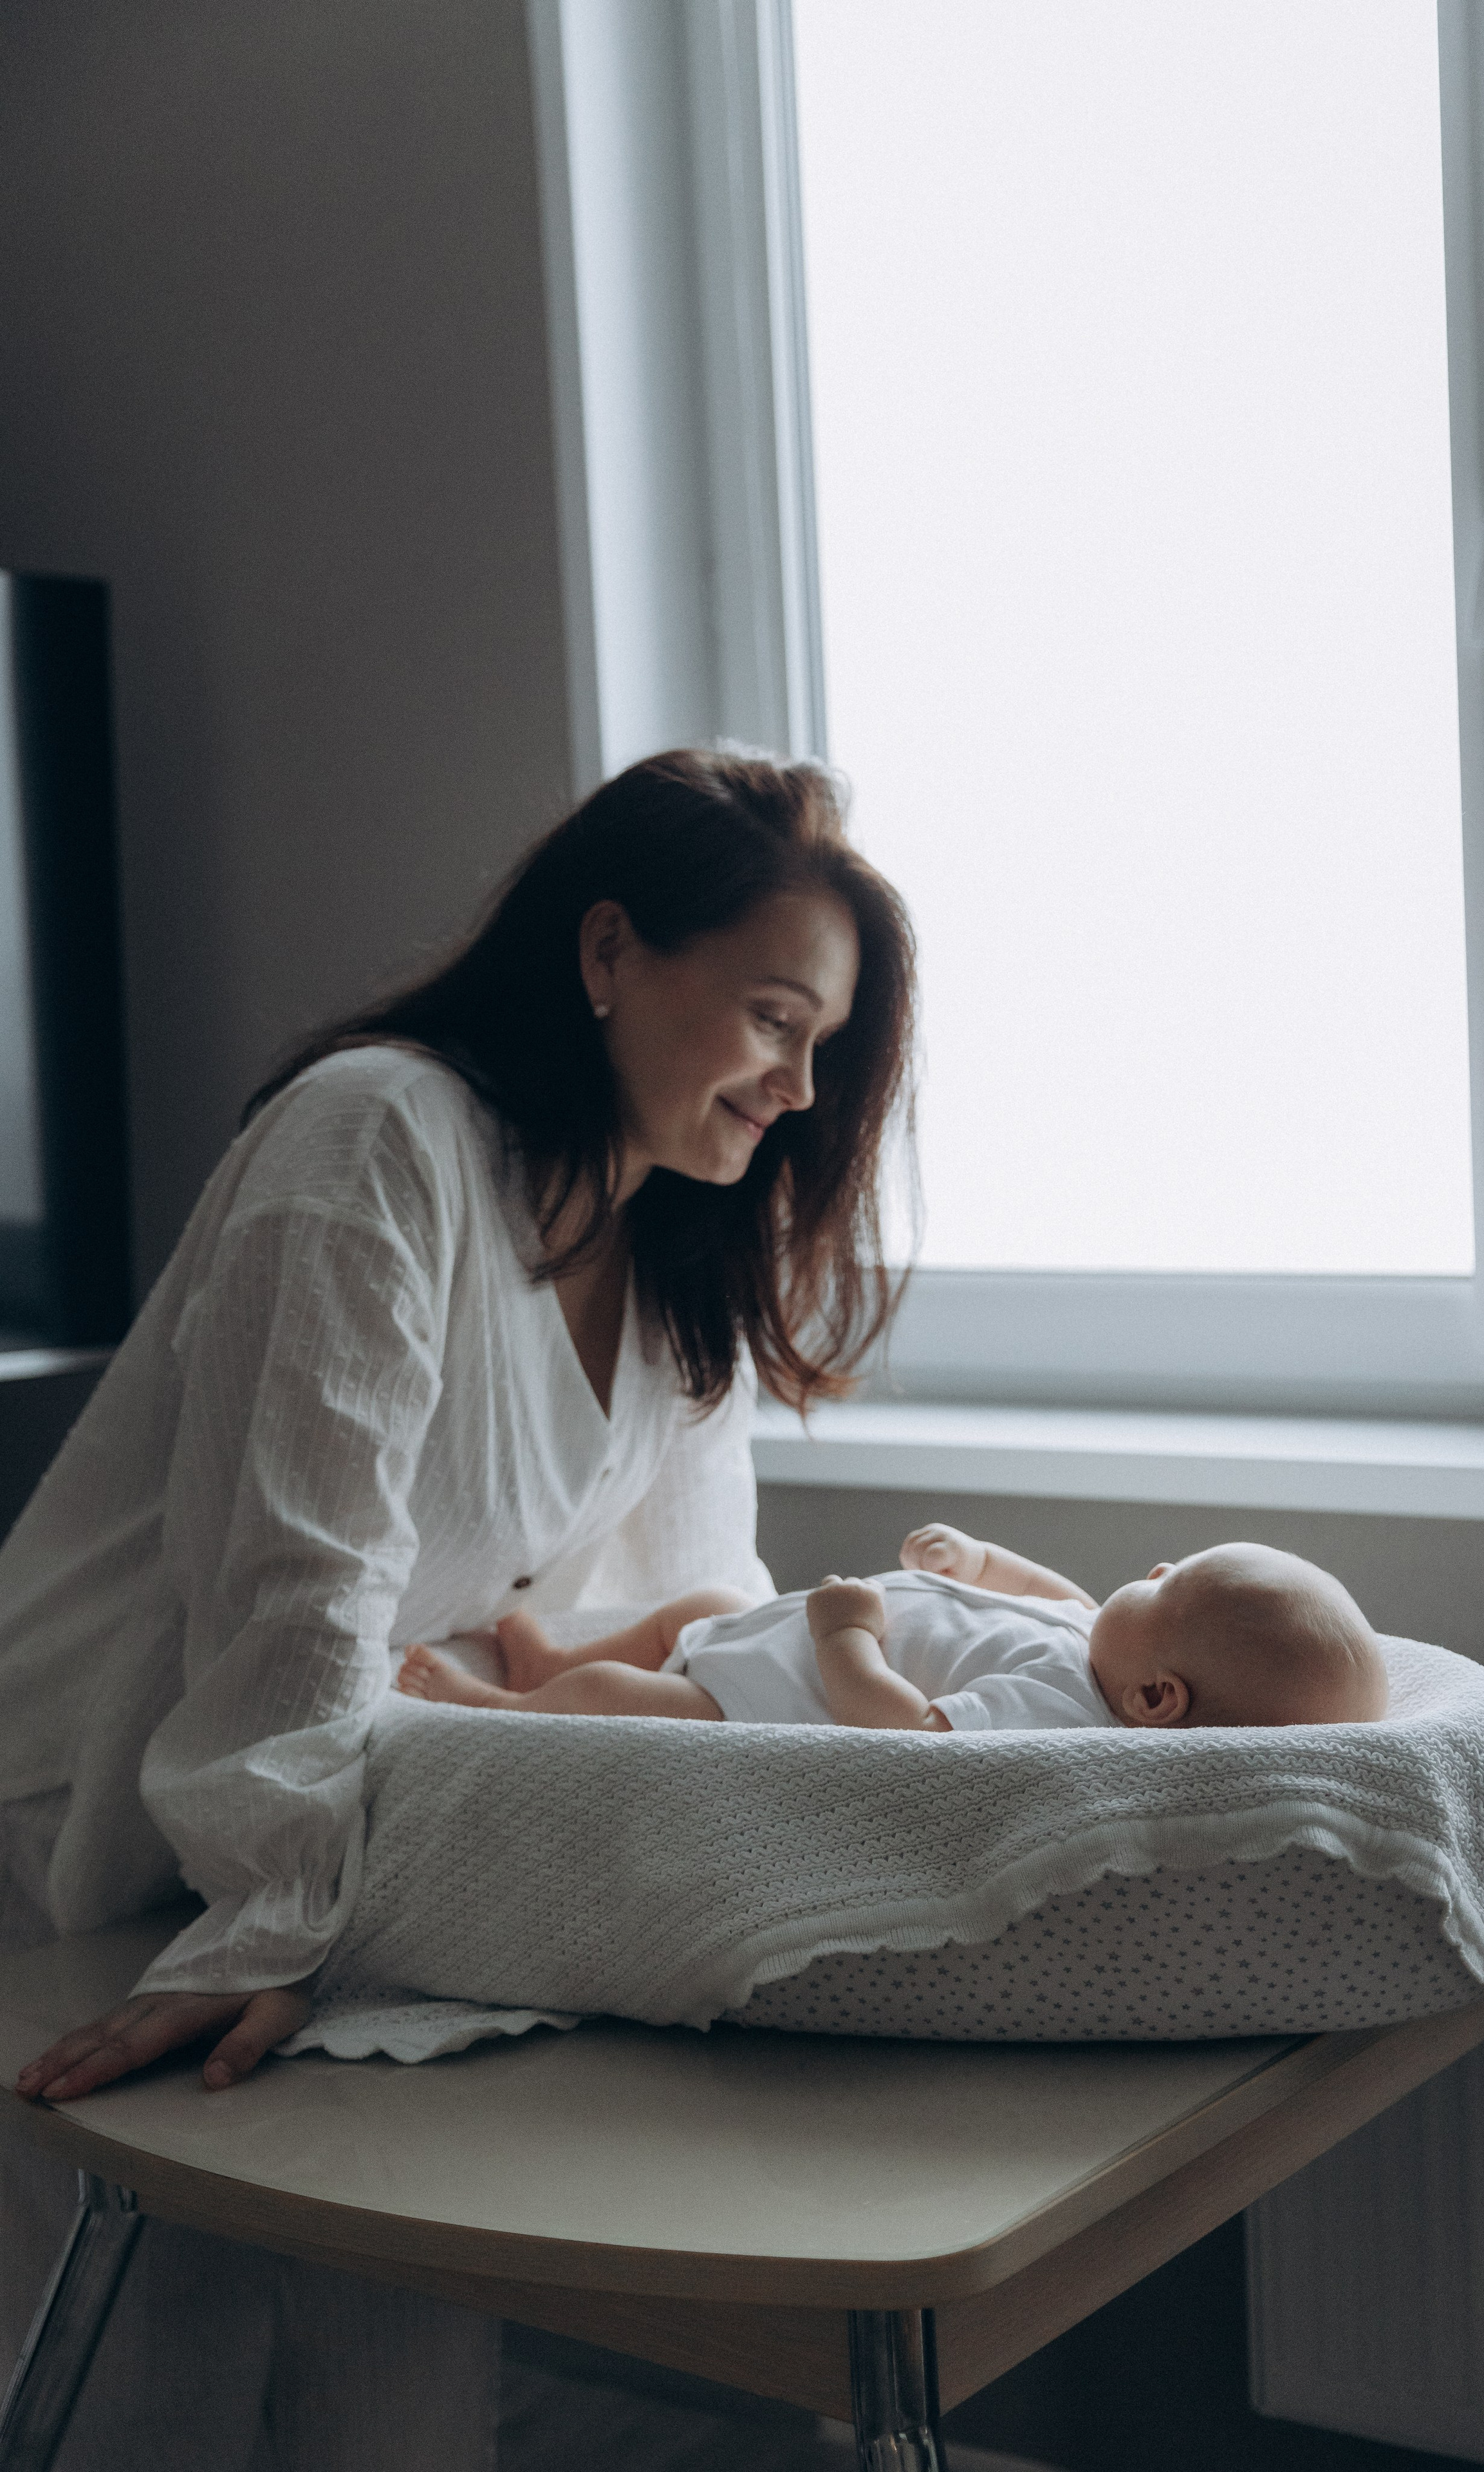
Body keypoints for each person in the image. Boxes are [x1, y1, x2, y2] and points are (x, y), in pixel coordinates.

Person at [0, 747, 916, 2472]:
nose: (800, 1085)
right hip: (84, 1825)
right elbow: (296, 1581)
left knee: (397, 2358)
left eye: (827, 1048)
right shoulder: (375, 1139)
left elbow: (699, 1613)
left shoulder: (675, 1264)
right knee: (153, 2380)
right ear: (607, 956)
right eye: (775, 1018)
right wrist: (279, 1920)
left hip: (334, 1829)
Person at [394, 1521, 1390, 1732]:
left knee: (622, 1699)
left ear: (1158, 1700)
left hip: (753, 1699)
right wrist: (979, 1561)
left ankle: (500, 1706)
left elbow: (907, 1737)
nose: (1155, 1568)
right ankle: (555, 1654)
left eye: (1165, 1587)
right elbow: (1044, 1587)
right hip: (768, 1634)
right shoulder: (1101, 1643)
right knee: (701, 1608)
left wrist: (843, 1640)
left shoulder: (1056, 1711)